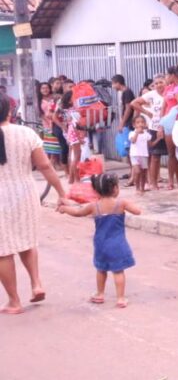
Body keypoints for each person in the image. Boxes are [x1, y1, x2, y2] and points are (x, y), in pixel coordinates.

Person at [0, 97, 66, 314]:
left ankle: (14, 301)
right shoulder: (26, 133)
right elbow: (45, 165)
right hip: (25, 194)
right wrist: (61, 193)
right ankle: (36, 283)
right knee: (27, 240)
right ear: (10, 111)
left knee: (3, 251)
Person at [57, 173, 141, 309]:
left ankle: (100, 294)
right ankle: (120, 298)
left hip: (100, 243)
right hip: (117, 243)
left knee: (101, 269)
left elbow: (78, 213)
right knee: (118, 271)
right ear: (115, 188)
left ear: (96, 190)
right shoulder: (121, 203)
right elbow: (138, 211)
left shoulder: (93, 206)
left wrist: (64, 209)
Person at [131, 74, 168, 189]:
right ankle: (153, 183)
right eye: (156, 83)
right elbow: (134, 103)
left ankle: (172, 181)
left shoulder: (170, 93)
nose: (158, 85)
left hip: (170, 127)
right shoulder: (151, 95)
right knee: (155, 156)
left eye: (161, 82)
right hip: (155, 127)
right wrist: (147, 113)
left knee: (173, 155)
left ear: (165, 82)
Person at [163, 64, 178, 190]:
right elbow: (163, 107)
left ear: (173, 76)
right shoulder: (167, 89)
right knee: (171, 153)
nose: (166, 77)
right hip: (168, 122)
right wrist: (160, 125)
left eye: (167, 75)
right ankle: (172, 180)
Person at [55, 90, 84, 184]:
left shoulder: (67, 110)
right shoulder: (74, 110)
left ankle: (72, 178)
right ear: (70, 101)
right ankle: (77, 179)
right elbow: (75, 124)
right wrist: (80, 137)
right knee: (76, 157)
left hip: (71, 132)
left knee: (72, 156)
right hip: (75, 133)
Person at [37, 82, 62, 169]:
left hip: (57, 122)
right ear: (40, 90)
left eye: (46, 88)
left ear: (50, 88)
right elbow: (41, 114)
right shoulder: (38, 100)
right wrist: (48, 123)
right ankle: (51, 163)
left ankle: (57, 162)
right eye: (43, 88)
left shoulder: (55, 98)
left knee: (58, 143)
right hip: (47, 125)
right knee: (51, 145)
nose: (45, 90)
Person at [128, 115, 151, 194]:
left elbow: (150, 145)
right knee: (137, 171)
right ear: (134, 125)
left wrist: (158, 139)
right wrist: (137, 133)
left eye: (142, 122)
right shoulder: (132, 133)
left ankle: (142, 188)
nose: (140, 124)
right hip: (134, 155)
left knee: (143, 172)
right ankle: (137, 188)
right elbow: (133, 141)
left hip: (144, 155)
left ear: (145, 124)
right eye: (138, 122)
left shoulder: (146, 134)